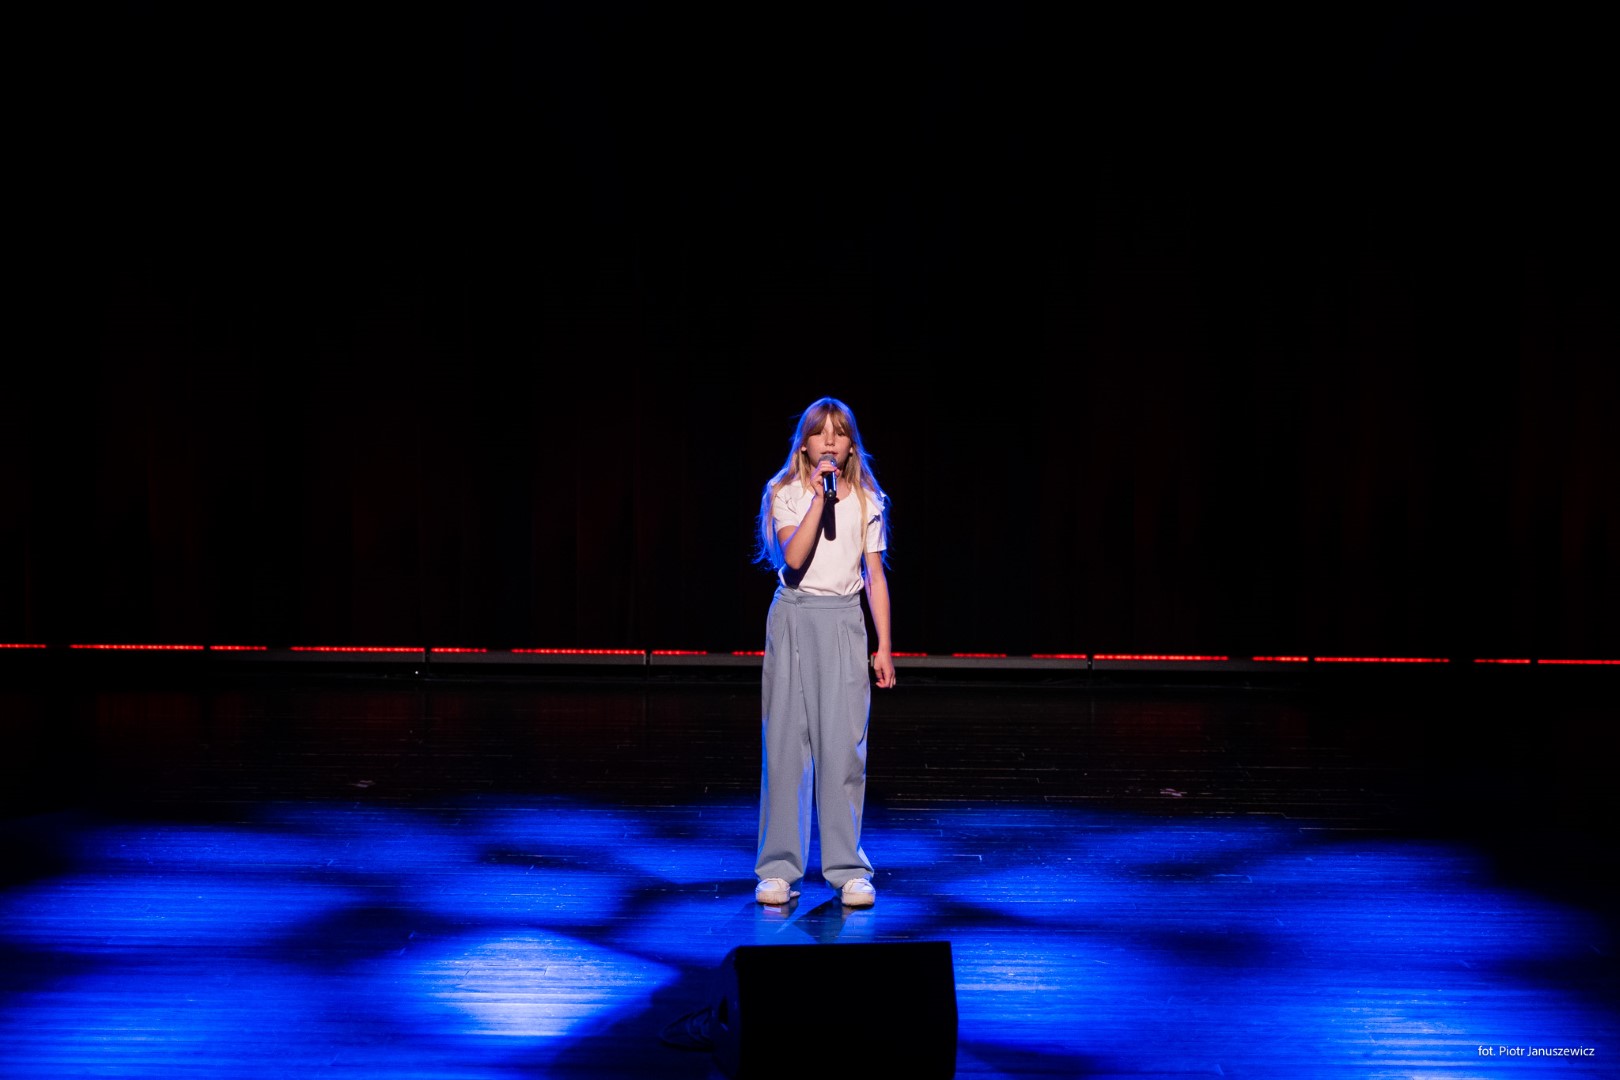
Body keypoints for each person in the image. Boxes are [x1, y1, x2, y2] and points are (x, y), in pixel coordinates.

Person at [751, 396, 895, 908]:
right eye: (819, 432)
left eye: (840, 432)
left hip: (843, 623)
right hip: (794, 617)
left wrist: (884, 646)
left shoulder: (868, 501)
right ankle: (778, 868)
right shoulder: (787, 493)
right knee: (787, 747)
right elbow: (793, 557)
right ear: (805, 445)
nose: (830, 440)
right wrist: (818, 498)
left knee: (843, 749)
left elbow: (874, 576)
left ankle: (847, 869)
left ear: (851, 445)